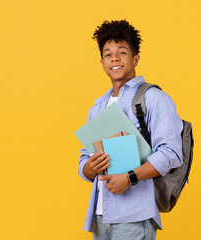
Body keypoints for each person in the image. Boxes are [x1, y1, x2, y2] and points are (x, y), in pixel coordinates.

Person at [78, 20, 183, 240]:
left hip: (135, 215)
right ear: (102, 62)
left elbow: (171, 154)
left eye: (122, 52)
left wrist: (130, 178)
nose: (114, 58)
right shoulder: (96, 108)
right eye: (108, 54)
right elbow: (84, 164)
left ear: (135, 59)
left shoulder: (154, 99)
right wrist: (90, 166)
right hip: (100, 216)